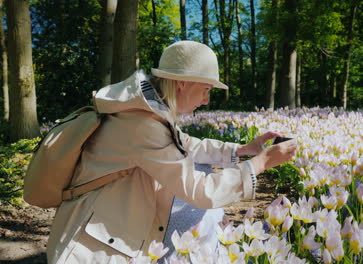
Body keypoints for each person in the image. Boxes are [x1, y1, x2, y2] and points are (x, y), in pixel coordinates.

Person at [46, 40, 297, 263]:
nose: (207, 100)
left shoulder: (148, 113)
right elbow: (199, 191)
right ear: (183, 83)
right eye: (206, 89)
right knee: (202, 210)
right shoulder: (142, 124)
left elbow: (185, 143)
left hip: (105, 224)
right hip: (92, 250)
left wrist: (242, 149)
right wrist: (259, 163)